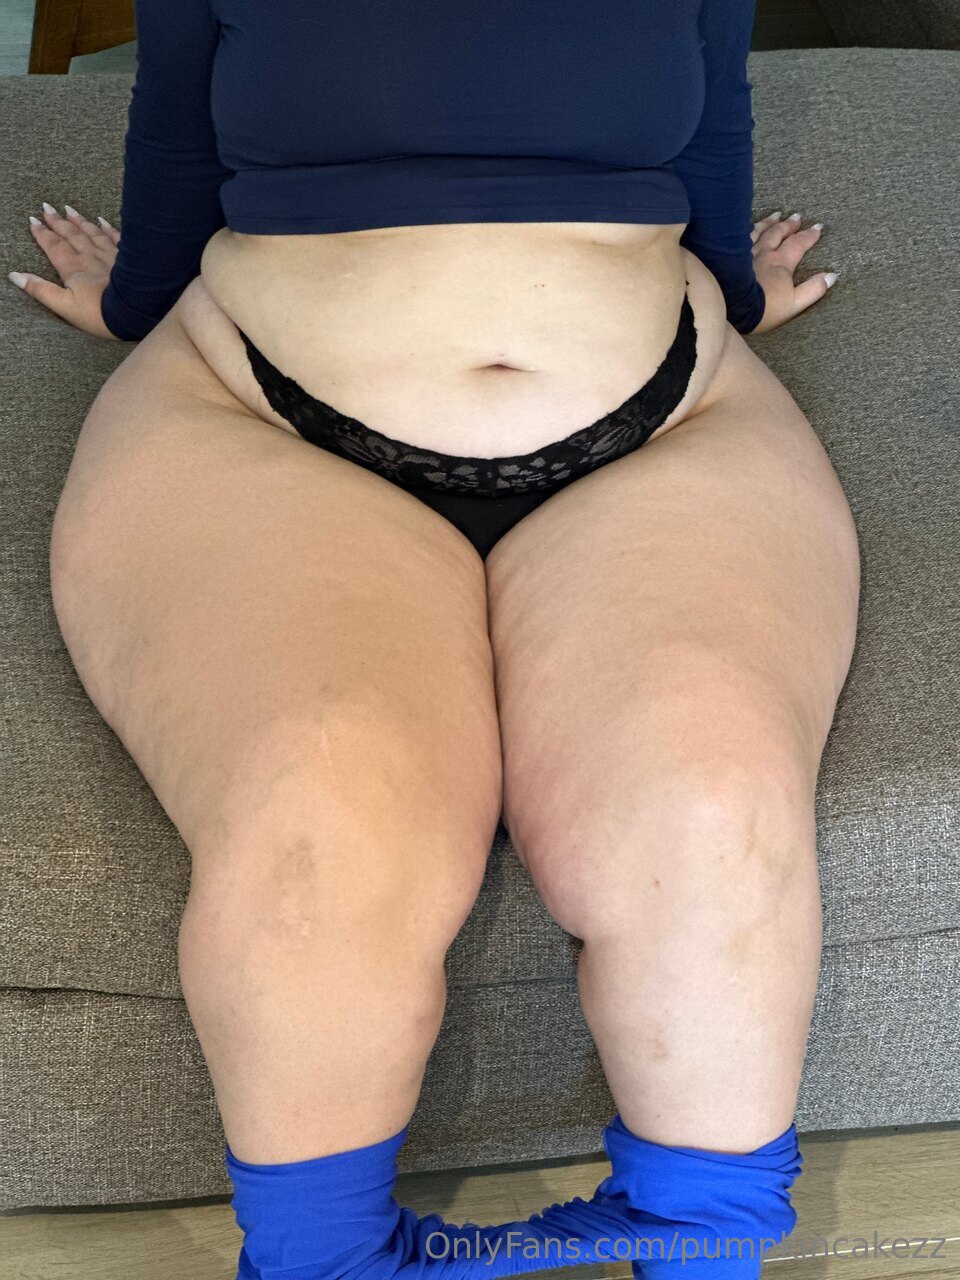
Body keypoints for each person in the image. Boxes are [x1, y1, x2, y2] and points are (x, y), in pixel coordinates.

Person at [11, 2, 860, 1277]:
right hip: (258, 408)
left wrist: (732, 294)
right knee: (323, 807)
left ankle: (705, 1252)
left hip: (661, 414)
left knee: (712, 808)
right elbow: (179, 129)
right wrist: (135, 304)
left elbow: (708, 122)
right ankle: (318, 1258)